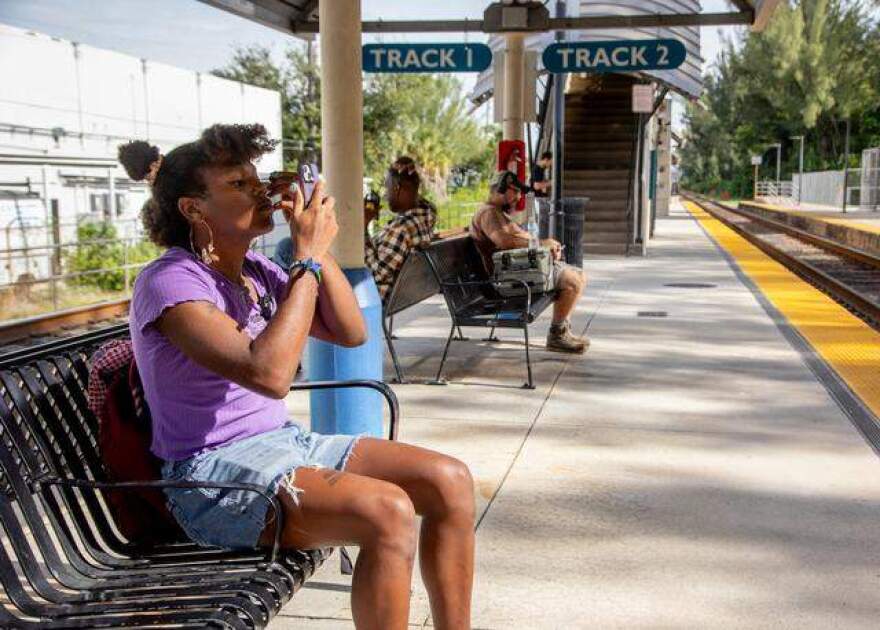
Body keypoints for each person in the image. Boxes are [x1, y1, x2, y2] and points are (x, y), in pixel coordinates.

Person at [119, 124, 475, 630]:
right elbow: (269, 375)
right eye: (238, 185)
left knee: (450, 480)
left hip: (285, 445)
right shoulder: (171, 281)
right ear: (193, 209)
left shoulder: (258, 271)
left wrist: (319, 248)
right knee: (388, 511)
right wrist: (304, 256)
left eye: (256, 178)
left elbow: (352, 332)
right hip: (211, 477)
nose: (260, 191)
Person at [470, 170, 589, 354]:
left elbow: (513, 241)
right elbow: (505, 241)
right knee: (572, 281)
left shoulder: (497, 212)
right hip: (507, 280)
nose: (519, 197)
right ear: (502, 189)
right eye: (516, 191)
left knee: (578, 276)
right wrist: (541, 244)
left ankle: (562, 330)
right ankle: (557, 336)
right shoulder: (488, 213)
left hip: (517, 271)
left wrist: (545, 250)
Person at [365, 157, 436, 301]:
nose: (385, 194)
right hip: (405, 296)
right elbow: (418, 199)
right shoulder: (428, 213)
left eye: (387, 186)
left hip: (375, 298)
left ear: (397, 187)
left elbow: (376, 274)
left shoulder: (401, 229)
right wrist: (409, 178)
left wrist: (363, 227)